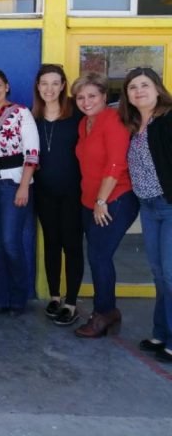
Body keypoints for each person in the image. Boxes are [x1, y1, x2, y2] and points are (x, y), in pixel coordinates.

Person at [72, 71, 139, 339]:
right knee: (99, 256)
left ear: (103, 96)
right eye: (80, 97)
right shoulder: (85, 123)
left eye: (92, 96)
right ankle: (109, 310)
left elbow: (116, 163)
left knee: (99, 256)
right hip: (90, 200)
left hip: (115, 199)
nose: (86, 101)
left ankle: (103, 314)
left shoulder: (113, 120)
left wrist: (101, 201)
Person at [119, 67, 172, 362]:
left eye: (144, 85)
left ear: (157, 88)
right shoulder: (135, 124)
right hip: (149, 207)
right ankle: (161, 333)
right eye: (132, 87)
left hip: (169, 204)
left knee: (170, 274)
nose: (138, 91)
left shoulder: (168, 119)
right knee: (159, 273)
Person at [0, 68, 39, 316]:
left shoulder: (21, 114)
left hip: (14, 184)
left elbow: (32, 153)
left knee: (11, 242)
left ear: (7, 86)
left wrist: (24, 185)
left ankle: (18, 297)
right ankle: (1, 298)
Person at [32, 64, 84, 326]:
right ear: (38, 87)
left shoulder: (76, 113)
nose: (49, 89)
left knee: (72, 246)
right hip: (44, 191)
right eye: (44, 83)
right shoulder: (33, 117)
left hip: (73, 192)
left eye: (55, 83)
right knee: (51, 244)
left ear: (63, 85)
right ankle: (54, 296)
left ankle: (71, 302)